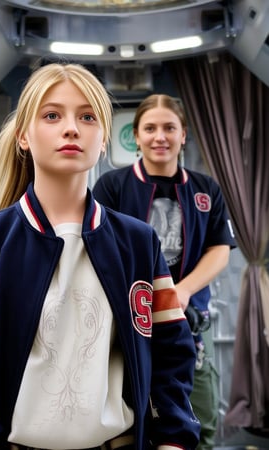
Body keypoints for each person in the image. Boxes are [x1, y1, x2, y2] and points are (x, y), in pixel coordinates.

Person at [0, 64, 200, 450]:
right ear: (24, 135)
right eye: (52, 115)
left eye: (88, 116)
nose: (72, 128)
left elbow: (171, 353)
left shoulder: (139, 242)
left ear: (104, 138)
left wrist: (173, 442)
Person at [93, 94, 236, 450]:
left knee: (198, 419)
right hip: (127, 324)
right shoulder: (112, 187)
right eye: (150, 128)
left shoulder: (207, 190)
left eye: (169, 127)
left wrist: (180, 292)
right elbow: (99, 251)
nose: (161, 136)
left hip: (189, 322)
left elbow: (219, 250)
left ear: (183, 134)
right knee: (127, 423)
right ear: (136, 136)